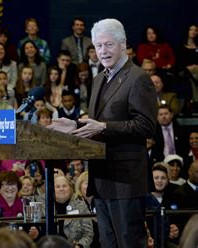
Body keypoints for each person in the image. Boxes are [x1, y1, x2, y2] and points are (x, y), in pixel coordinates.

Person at [49, 18, 157, 247]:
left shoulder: (138, 78)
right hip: (101, 179)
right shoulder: (99, 79)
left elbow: (146, 126)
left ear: (123, 44)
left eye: (108, 44)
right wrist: (75, 126)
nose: (103, 51)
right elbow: (97, 124)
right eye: (98, 45)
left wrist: (105, 127)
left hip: (125, 182)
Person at [0, 171, 39, 240]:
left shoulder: (28, 205)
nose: (10, 188)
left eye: (13, 184)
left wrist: (35, 234)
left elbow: (37, 230)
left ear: (18, 187)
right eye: (6, 185)